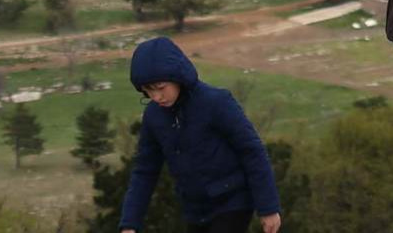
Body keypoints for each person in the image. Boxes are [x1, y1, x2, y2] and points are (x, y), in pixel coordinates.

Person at [116, 36, 282, 233]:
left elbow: (252, 151)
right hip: (194, 210)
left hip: (232, 202)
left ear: (177, 76)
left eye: (161, 88)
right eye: (148, 91)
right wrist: (129, 223)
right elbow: (145, 170)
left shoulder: (216, 102)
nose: (156, 97)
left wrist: (269, 208)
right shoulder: (153, 116)